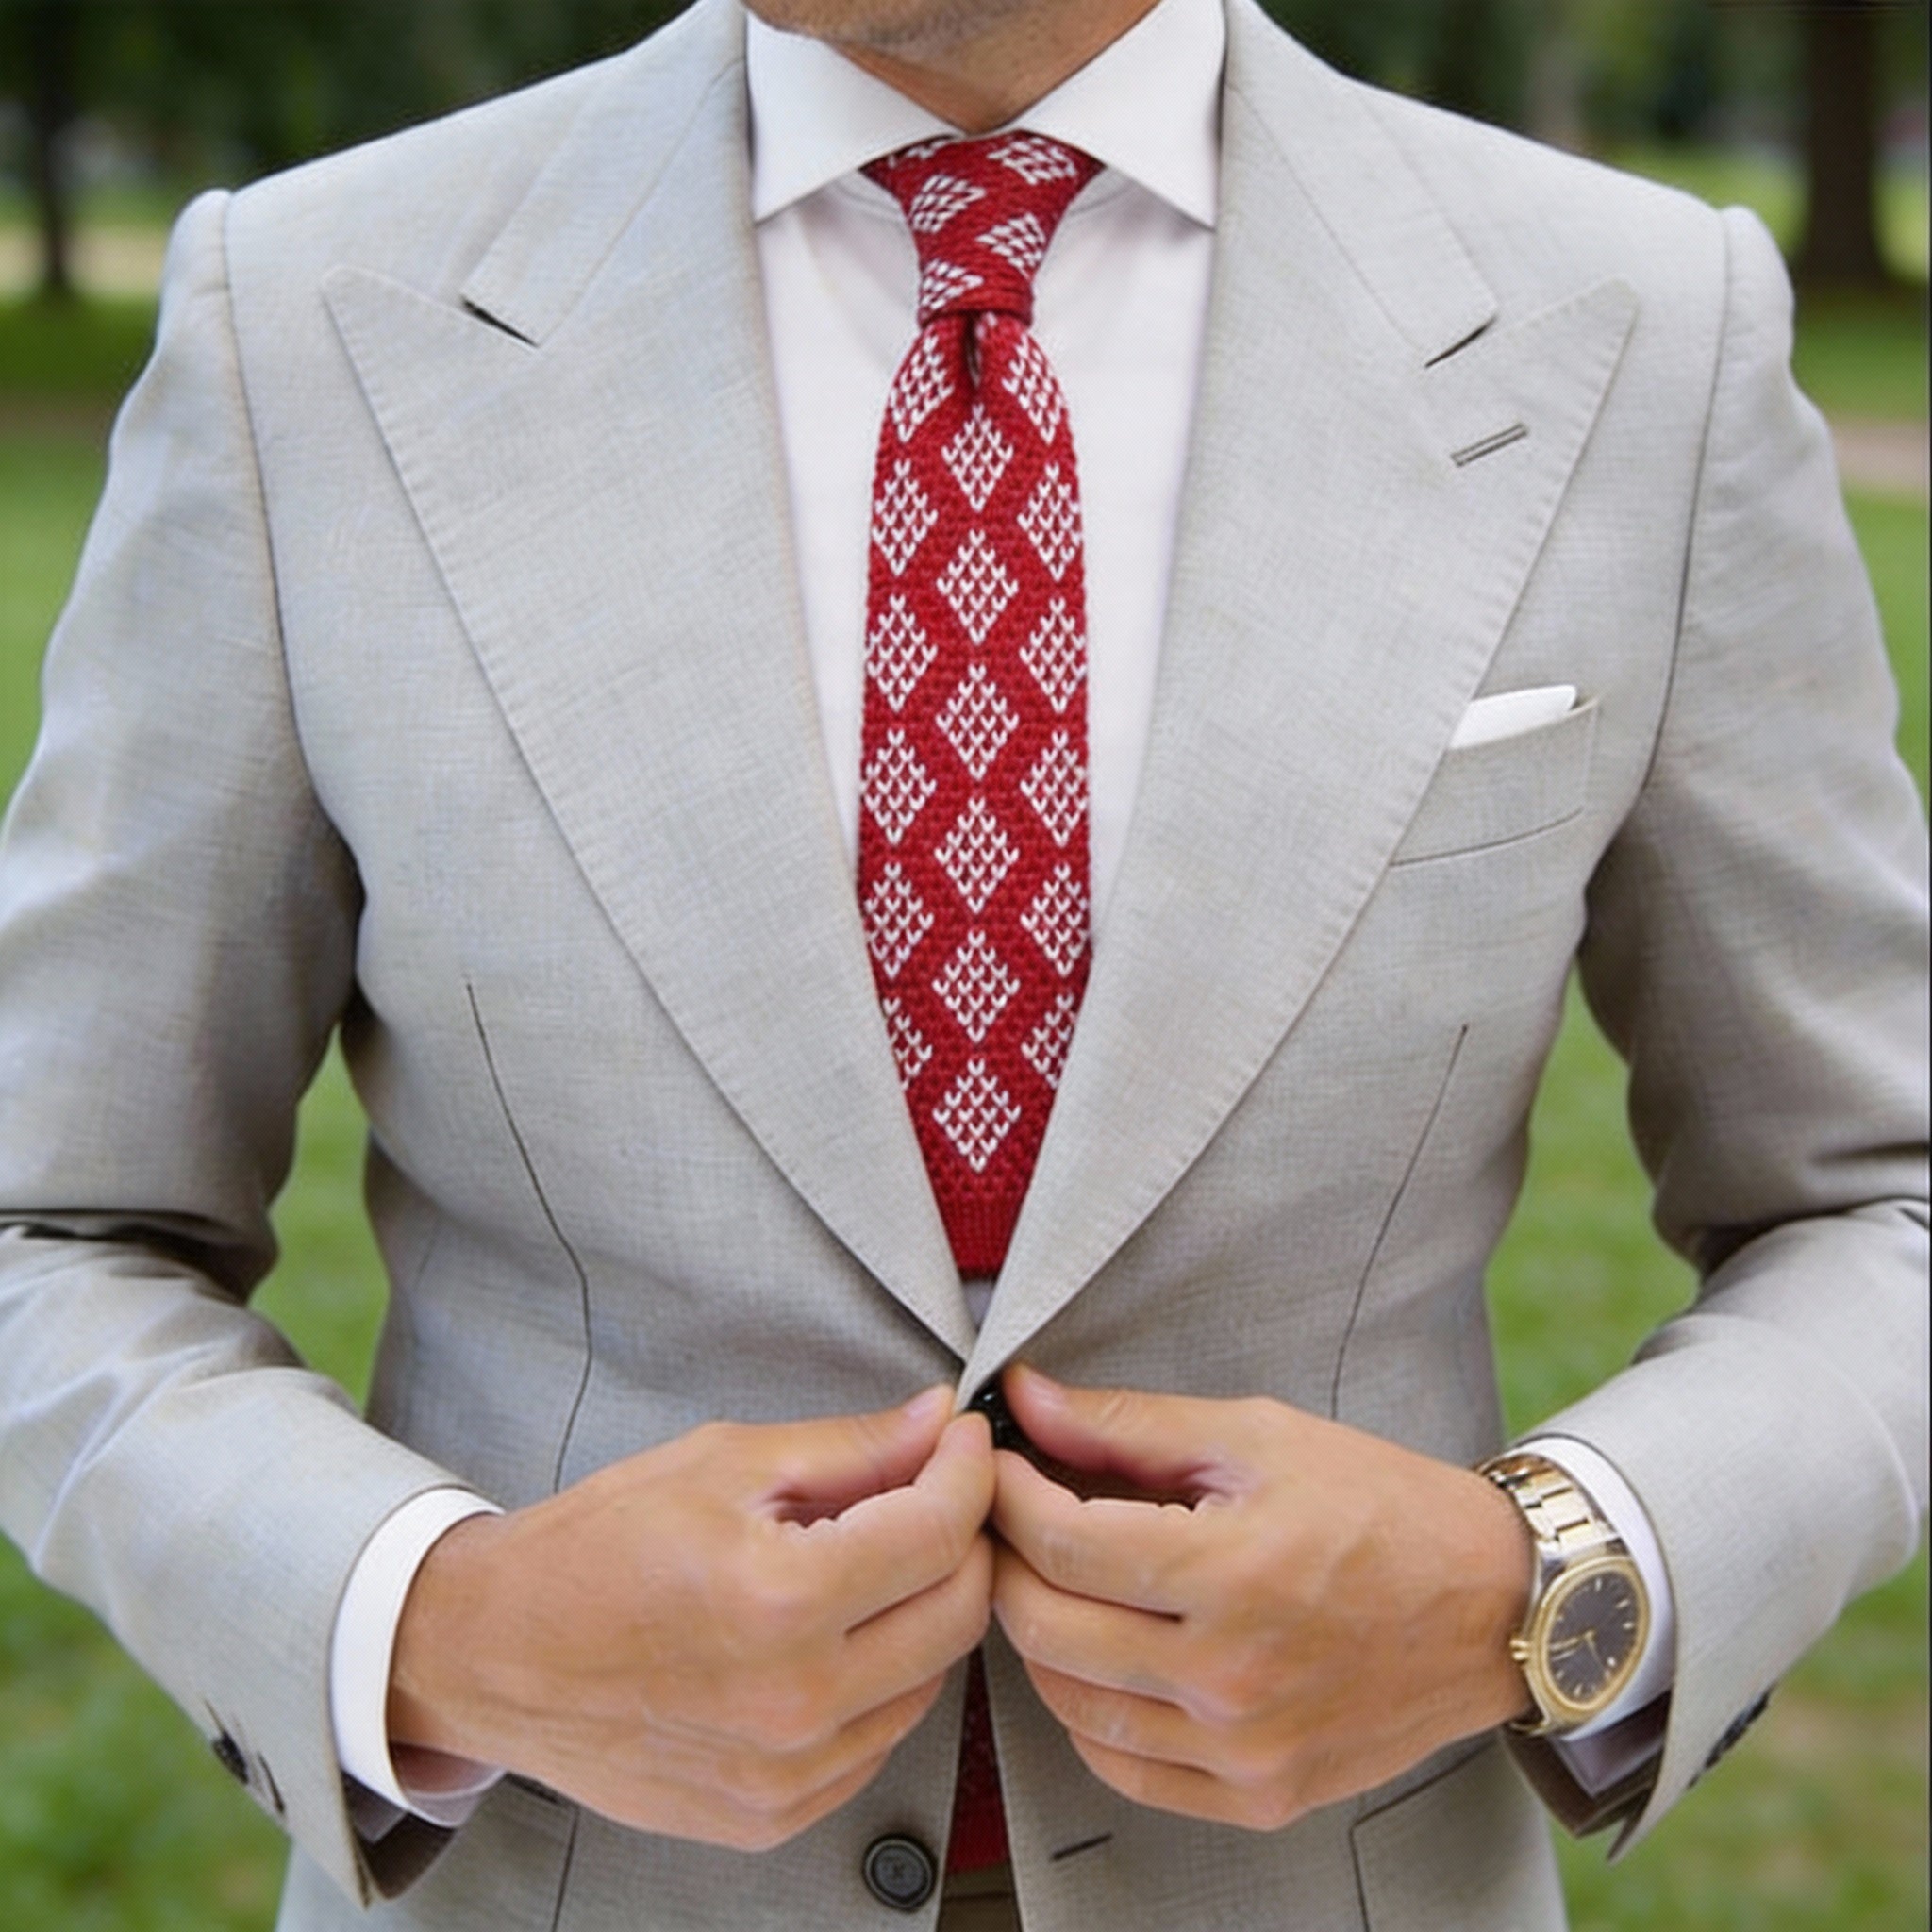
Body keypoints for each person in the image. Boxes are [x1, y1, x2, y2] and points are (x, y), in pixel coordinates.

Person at [0, 0, 1924, 1925]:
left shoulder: (1639, 329)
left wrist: (1543, 1583)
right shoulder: (309, 312)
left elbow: (1877, 1201)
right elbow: (52, 1227)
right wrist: (441, 1623)